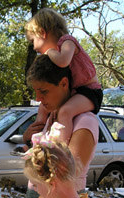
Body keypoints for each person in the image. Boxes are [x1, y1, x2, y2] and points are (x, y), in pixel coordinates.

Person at [0, 54, 99, 198]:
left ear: (64, 83)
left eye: (44, 91)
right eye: (36, 92)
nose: (39, 99)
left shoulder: (85, 123)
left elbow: (61, 186)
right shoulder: (54, 117)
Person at [24, 8, 102, 144]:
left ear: (42, 33)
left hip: (90, 91)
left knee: (65, 112)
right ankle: (37, 137)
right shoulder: (56, 52)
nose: (34, 48)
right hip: (75, 91)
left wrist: (49, 51)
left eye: (33, 41)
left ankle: (60, 148)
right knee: (42, 107)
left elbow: (63, 61)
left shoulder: (67, 42)